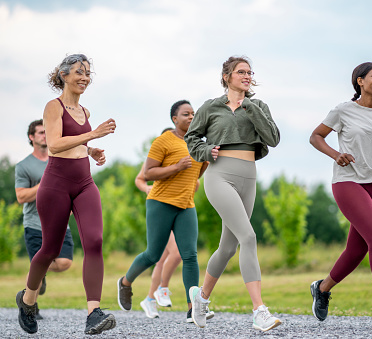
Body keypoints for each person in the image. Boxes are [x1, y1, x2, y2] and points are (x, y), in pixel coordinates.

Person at [15, 54, 117, 335]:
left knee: (94, 241)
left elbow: (76, 145)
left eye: (87, 73)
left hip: (84, 183)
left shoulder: (84, 111)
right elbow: (56, 145)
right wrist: (92, 136)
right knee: (48, 250)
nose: (84, 77)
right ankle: (27, 301)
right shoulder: (53, 106)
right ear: (63, 75)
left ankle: (93, 313)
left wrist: (90, 150)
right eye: (78, 72)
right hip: (56, 184)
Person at [309, 62, 372, 332]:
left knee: (357, 250)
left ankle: (321, 289)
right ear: (360, 81)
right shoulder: (343, 110)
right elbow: (316, 137)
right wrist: (336, 154)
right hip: (348, 181)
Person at [184, 56, 281, 332]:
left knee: (228, 248)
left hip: (248, 176)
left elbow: (273, 139)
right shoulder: (210, 107)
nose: (247, 76)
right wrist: (205, 152)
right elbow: (192, 139)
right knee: (248, 237)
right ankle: (259, 311)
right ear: (227, 76)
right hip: (219, 175)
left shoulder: (258, 106)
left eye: (250, 72)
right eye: (241, 72)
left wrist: (249, 106)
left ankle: (201, 298)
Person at [117, 100, 209, 323]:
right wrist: (176, 167)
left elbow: (199, 169)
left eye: (193, 114)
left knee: (189, 255)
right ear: (174, 119)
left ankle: (192, 309)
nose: (191, 117)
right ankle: (125, 283)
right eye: (185, 114)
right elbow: (148, 173)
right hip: (160, 203)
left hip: (186, 206)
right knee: (153, 255)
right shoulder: (163, 141)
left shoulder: (198, 143)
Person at [133, 127, 213, 321]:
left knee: (165, 257)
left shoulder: (188, 160)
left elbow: (194, 180)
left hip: (180, 209)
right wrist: (148, 189)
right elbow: (140, 178)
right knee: (173, 253)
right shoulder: (159, 155)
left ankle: (152, 297)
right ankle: (161, 290)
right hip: (161, 206)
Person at [15, 119, 74, 320]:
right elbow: (21, 196)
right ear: (31, 137)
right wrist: (43, 185)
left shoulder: (59, 161)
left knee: (65, 262)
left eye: (47, 132)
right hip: (35, 224)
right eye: (40, 132)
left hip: (60, 224)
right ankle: (30, 306)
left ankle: (39, 271)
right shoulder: (24, 166)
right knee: (38, 265)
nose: (45, 135)